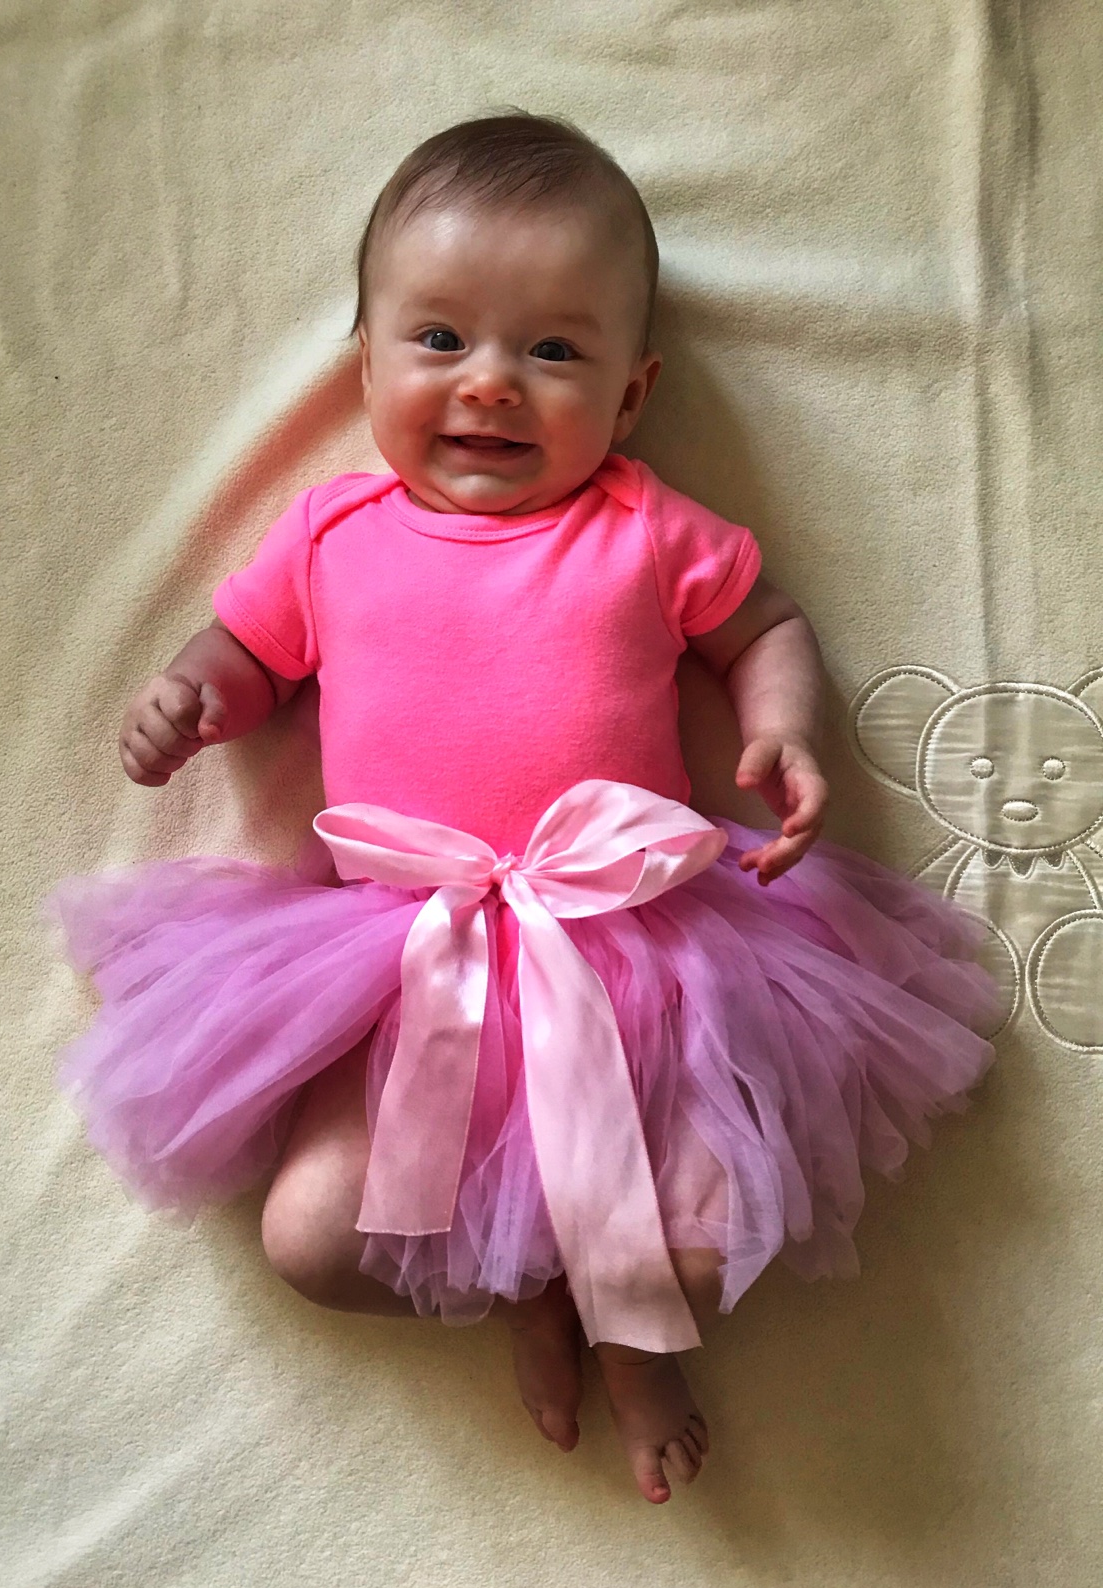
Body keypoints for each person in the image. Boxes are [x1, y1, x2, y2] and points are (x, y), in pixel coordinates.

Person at [49, 112, 999, 1505]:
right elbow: (249, 651)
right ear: (365, 364)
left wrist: (784, 726)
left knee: (714, 1236)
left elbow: (767, 626)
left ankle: (631, 1327)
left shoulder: (644, 527)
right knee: (315, 1241)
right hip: (404, 961)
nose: (491, 382)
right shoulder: (331, 533)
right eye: (440, 340)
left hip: (648, 950)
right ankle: (537, 1294)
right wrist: (197, 696)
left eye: (553, 351)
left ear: (630, 395)